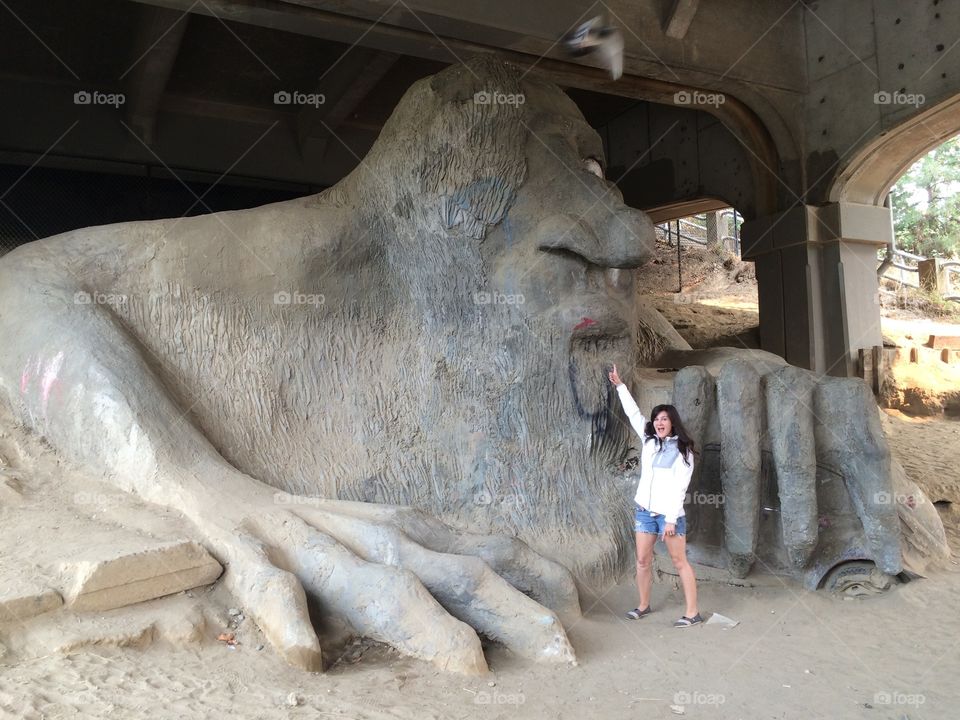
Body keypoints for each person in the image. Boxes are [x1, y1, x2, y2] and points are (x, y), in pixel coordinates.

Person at [608, 364, 702, 628]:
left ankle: (693, 612)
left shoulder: (683, 451)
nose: (659, 422)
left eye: (664, 419)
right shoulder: (649, 441)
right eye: (657, 419)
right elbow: (634, 414)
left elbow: (680, 488)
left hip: (669, 516)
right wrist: (620, 386)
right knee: (642, 560)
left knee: (678, 561)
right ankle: (643, 605)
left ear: (673, 423)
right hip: (644, 512)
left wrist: (671, 520)